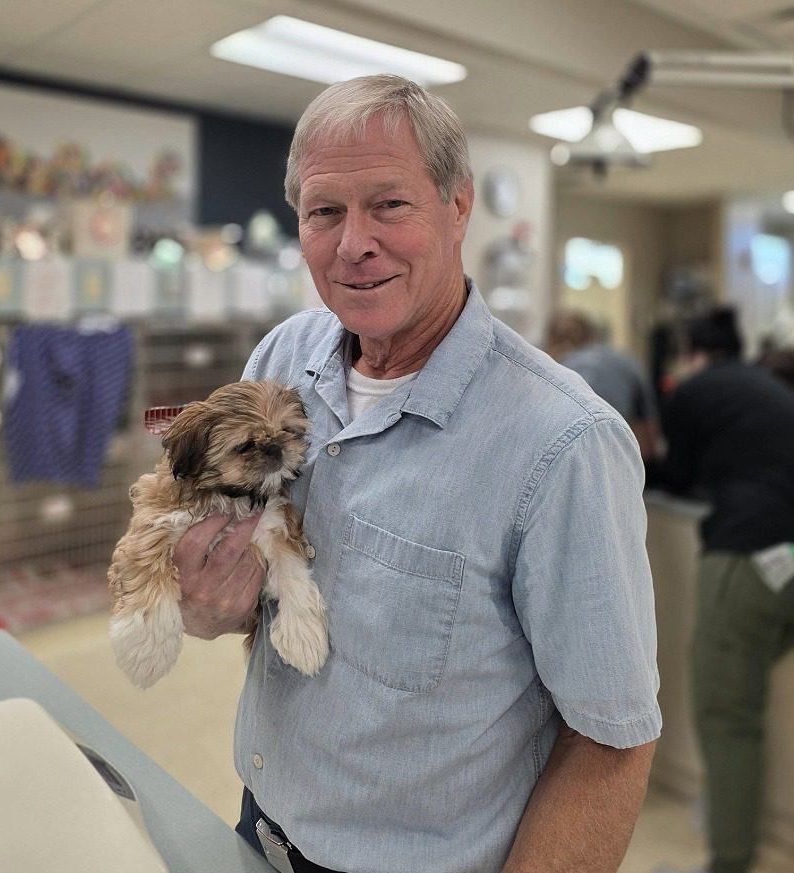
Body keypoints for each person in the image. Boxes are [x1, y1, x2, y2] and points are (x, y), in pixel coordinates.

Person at [173, 74, 661, 873]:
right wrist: (209, 604)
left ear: (457, 206)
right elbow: (245, 598)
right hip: (260, 822)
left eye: (388, 205)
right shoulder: (281, 361)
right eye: (324, 211)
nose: (352, 242)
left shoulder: (561, 443)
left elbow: (610, 739)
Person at [649, 307, 794, 873]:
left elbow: (678, 474)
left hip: (747, 553)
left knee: (727, 711)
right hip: (784, 554)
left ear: (691, 351)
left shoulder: (694, 392)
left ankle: (730, 858)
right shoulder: (767, 386)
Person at [546, 307, 662, 460]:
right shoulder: (625, 363)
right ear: (591, 335)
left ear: (550, 339)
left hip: (565, 463)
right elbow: (648, 434)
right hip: (618, 459)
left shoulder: (547, 372)